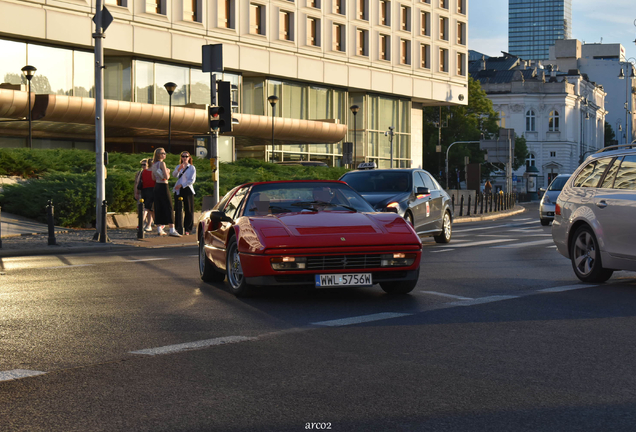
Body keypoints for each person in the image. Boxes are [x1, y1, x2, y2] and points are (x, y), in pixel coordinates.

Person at [151, 148, 181, 237]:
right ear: (158, 155)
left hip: (157, 186)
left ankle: (159, 228)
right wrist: (168, 171)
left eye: (165, 153)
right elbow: (166, 177)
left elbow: (153, 178)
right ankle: (172, 229)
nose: (165, 155)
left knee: (158, 206)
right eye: (163, 153)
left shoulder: (153, 165)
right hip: (163, 186)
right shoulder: (162, 163)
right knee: (169, 206)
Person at [172, 152, 196, 235]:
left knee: (188, 209)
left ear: (189, 157)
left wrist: (182, 185)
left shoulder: (192, 168)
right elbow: (174, 175)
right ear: (181, 157)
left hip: (187, 189)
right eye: (183, 156)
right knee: (178, 209)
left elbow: (192, 180)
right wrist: (179, 169)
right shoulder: (178, 167)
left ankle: (188, 229)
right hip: (178, 190)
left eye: (186, 156)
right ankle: (178, 227)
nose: (185, 158)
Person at [139, 158, 156, 231]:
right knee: (147, 208)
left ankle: (147, 224)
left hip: (144, 190)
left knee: (147, 208)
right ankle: (142, 223)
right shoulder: (154, 172)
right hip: (152, 190)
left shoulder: (143, 172)